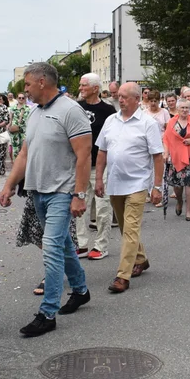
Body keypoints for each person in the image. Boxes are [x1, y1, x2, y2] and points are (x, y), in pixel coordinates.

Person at [0, 62, 92, 338]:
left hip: (63, 192)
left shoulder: (71, 111)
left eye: (26, 84)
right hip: (37, 191)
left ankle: (47, 312)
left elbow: (84, 156)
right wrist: (9, 185)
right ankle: (81, 290)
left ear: (41, 81)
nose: (24, 89)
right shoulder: (35, 113)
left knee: (51, 247)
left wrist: (79, 194)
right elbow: (25, 154)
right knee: (61, 245)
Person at [95, 83, 164, 293]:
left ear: (136, 99)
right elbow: (102, 152)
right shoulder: (110, 121)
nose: (120, 99)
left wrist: (157, 187)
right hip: (115, 182)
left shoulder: (147, 123)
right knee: (126, 227)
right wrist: (99, 179)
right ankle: (141, 258)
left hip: (138, 183)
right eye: (120, 97)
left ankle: (122, 276)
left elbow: (158, 157)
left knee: (131, 227)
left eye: (125, 96)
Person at [75, 73, 115, 261]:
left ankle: (101, 245)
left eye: (84, 85)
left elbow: (113, 138)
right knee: (78, 206)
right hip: (79, 165)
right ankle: (81, 244)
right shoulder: (76, 107)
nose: (80, 88)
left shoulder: (108, 110)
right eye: (80, 85)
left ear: (95, 88)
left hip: (101, 165)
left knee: (102, 207)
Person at [162, 98, 190, 221]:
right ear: (178, 109)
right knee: (177, 185)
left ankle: (188, 210)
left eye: (187, 108)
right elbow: (166, 139)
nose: (185, 110)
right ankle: (179, 201)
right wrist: (166, 153)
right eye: (182, 108)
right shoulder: (172, 122)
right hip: (175, 156)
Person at [8, 92, 28, 160]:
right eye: (19, 98)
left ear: (25, 99)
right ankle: (16, 165)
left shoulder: (28, 108)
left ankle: (23, 166)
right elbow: (10, 120)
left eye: (23, 98)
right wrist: (9, 127)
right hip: (15, 131)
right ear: (17, 98)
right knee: (15, 150)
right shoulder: (13, 108)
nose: (21, 99)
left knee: (24, 149)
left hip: (24, 131)